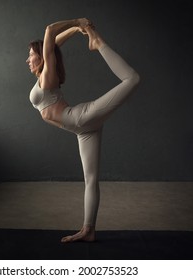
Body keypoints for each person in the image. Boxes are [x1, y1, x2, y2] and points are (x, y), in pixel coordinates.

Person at [26, 18, 140, 243]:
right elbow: (54, 42)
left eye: (30, 54)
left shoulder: (48, 75)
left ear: (41, 56)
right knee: (90, 180)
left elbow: (49, 32)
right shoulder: (43, 75)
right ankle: (88, 230)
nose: (27, 59)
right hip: (83, 131)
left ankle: (99, 45)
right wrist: (76, 29)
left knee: (133, 79)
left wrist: (77, 21)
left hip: (81, 117)